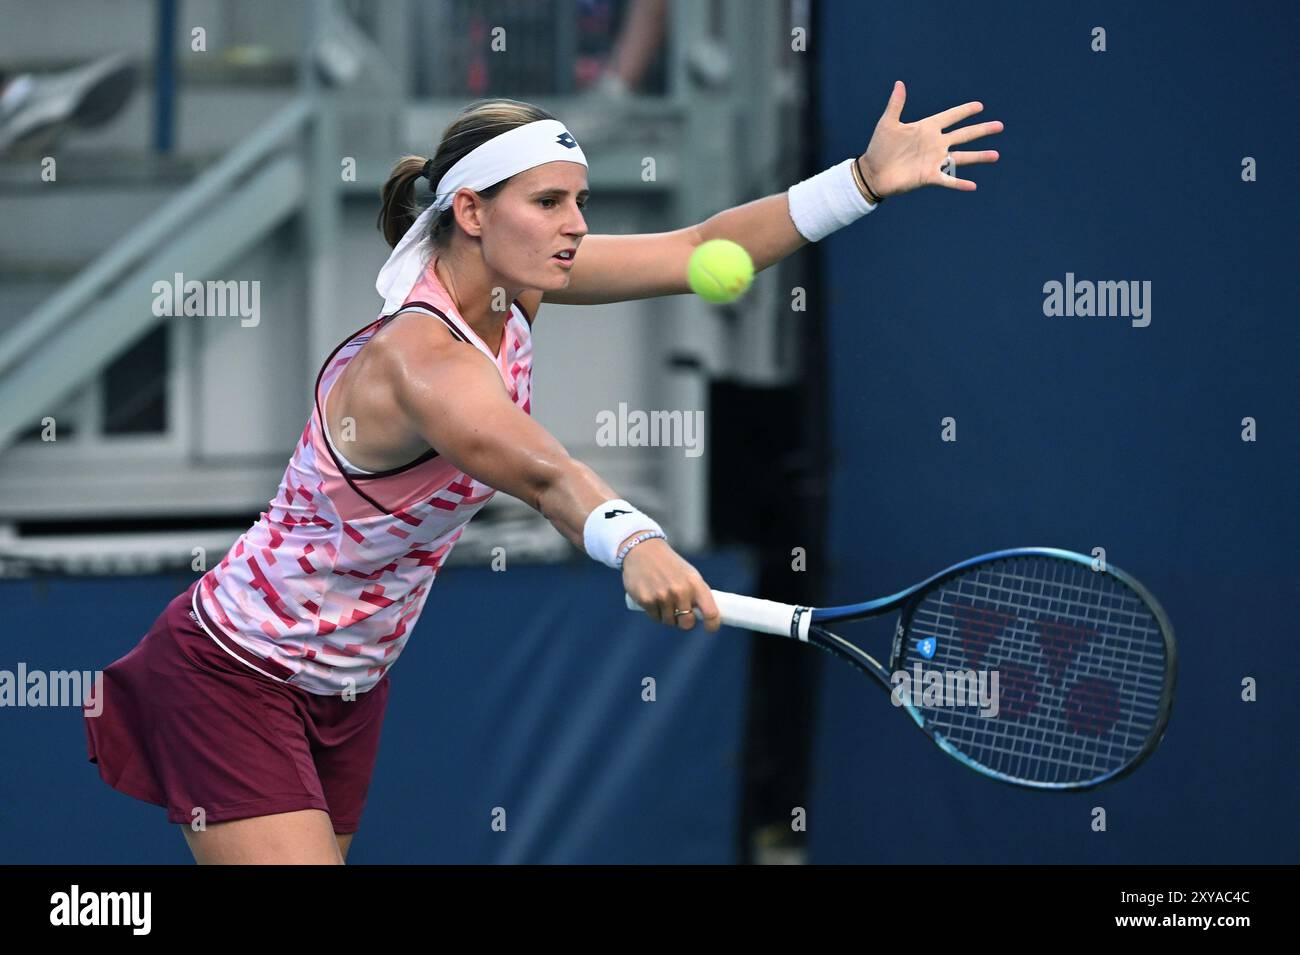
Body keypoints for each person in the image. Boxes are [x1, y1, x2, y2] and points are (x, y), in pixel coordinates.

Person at [83, 84, 1002, 864]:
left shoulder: (517, 287)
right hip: (235, 671)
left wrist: (865, 181)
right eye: (549, 202)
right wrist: (635, 537)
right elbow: (546, 472)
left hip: (348, 685)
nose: (576, 226)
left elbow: (698, 249)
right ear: (473, 213)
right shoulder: (422, 360)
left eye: (580, 200)